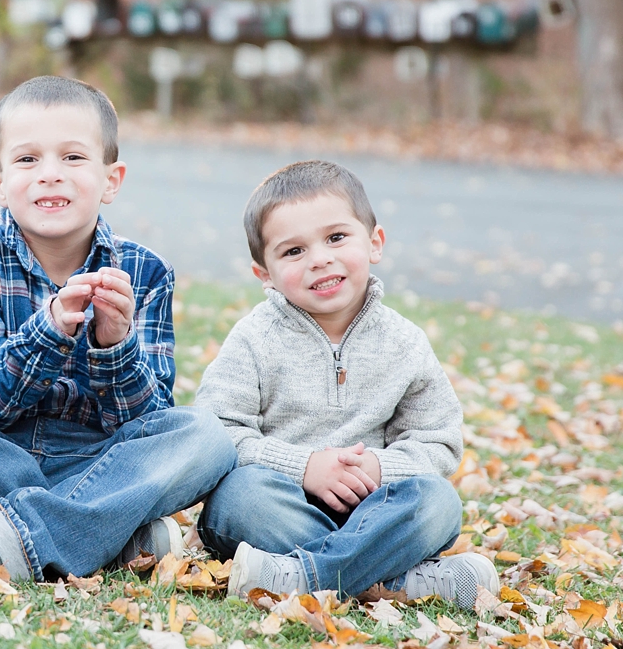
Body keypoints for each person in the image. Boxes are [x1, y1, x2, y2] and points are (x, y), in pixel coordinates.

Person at [0, 75, 236, 580]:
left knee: (206, 436)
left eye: (73, 158)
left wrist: (115, 347)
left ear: (112, 179)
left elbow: (148, 419)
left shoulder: (146, 272)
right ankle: (102, 533)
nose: (50, 175)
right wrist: (50, 332)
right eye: (27, 159)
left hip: (95, 464)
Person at [196, 160, 497, 609]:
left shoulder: (404, 343)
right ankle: (394, 578)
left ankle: (300, 576)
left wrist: (380, 469)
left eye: (336, 238)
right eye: (293, 251)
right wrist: (304, 467)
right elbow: (216, 433)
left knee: (437, 502)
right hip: (282, 505)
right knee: (238, 500)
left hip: (374, 510)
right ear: (265, 273)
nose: (320, 259)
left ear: (374, 242)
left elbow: (438, 443)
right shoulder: (254, 339)